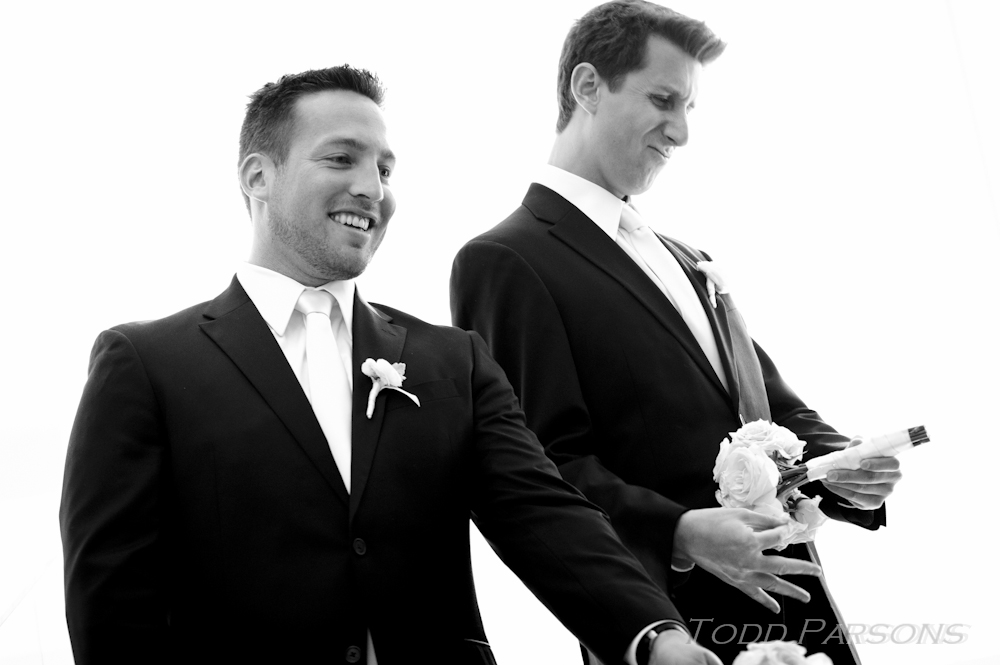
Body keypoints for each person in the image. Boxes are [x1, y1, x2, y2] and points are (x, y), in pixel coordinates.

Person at [59, 66, 723, 665]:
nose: (370, 188)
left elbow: (546, 516)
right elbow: (112, 605)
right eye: (341, 159)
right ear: (257, 176)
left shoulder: (453, 361)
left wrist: (654, 637)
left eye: (385, 169)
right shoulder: (146, 364)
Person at [449, 3, 901, 664]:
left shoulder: (689, 258)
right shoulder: (506, 260)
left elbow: (766, 408)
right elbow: (542, 469)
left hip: (798, 610)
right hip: (668, 626)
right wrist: (681, 531)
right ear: (587, 86)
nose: (682, 132)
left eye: (689, 107)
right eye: (664, 100)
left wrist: (842, 463)